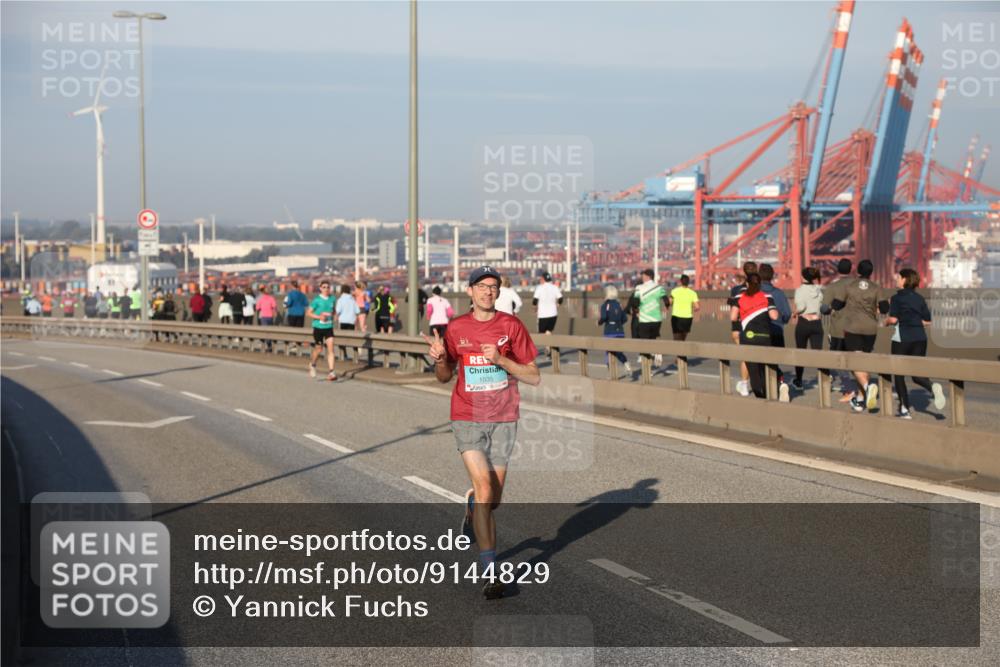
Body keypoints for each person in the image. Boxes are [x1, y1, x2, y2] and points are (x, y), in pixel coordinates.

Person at [421, 265, 540, 600]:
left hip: (504, 418)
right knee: (486, 487)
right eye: (482, 286)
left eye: (494, 287)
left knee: (493, 499)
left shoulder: (511, 326)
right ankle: (492, 573)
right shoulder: (456, 328)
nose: (489, 291)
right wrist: (441, 359)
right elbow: (444, 376)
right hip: (467, 416)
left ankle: (473, 505)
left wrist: (502, 360)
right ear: (470, 291)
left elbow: (533, 376)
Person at [830, 259, 891, 413]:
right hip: (871, 329)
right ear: (871, 272)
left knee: (855, 363)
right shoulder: (876, 288)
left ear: (857, 271)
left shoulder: (850, 286)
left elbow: (837, 304)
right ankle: (861, 400)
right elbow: (884, 308)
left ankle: (867, 387)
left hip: (853, 328)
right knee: (864, 362)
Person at [885, 268, 946, 419]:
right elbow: (928, 321)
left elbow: (893, 319)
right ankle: (932, 387)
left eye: (898, 277)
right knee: (916, 374)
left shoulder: (896, 298)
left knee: (899, 375)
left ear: (905, 280)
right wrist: (914, 322)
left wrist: (886, 322)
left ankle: (904, 409)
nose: (896, 279)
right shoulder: (919, 298)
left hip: (902, 338)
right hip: (920, 338)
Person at [730, 273, 779, 398]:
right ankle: (769, 395)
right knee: (763, 369)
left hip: (748, 337)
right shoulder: (767, 296)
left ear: (746, 284)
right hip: (764, 336)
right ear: (760, 284)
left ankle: (760, 397)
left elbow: (733, 317)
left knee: (753, 370)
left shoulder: (739, 297)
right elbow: (774, 316)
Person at [758, 264, 791, 402]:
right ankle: (781, 383)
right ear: (772, 276)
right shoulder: (779, 293)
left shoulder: (755, 293)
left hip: (759, 333)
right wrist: (781, 321)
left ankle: (767, 391)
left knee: (760, 363)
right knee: (774, 362)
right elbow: (787, 314)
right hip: (777, 332)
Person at [792, 267, 828, 390]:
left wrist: (794, 313)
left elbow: (801, 307)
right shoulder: (819, 290)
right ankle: (825, 379)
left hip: (804, 323)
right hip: (817, 323)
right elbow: (822, 303)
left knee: (800, 353)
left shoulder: (800, 290)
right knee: (818, 353)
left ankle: (799, 381)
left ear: (803, 277)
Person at [823, 259, 854, 398]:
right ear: (851, 269)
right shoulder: (857, 285)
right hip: (859, 328)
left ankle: (848, 389)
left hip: (839, 329)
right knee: (859, 358)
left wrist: (830, 311)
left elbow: (824, 308)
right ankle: (864, 386)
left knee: (839, 360)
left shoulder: (833, 287)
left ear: (838, 270)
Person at [629, 269, 668, 366]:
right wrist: (666, 308)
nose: (642, 277)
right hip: (657, 320)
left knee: (644, 343)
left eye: (643, 275)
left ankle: (648, 367)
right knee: (653, 339)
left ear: (647, 276)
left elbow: (634, 302)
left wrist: (636, 311)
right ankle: (656, 352)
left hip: (644, 319)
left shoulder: (639, 287)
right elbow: (666, 301)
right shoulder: (659, 287)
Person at [729, 261, 757, 396]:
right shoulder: (760, 289)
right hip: (754, 325)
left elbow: (733, 311)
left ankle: (745, 384)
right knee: (753, 356)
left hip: (737, 328)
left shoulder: (736, 290)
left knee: (745, 356)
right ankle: (752, 382)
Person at [307, 280, 338, 381]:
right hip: (318, 327)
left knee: (331, 348)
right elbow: (309, 313)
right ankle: (313, 364)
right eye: (324, 287)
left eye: (328, 287)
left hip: (329, 327)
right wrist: (319, 317)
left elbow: (333, 311)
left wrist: (334, 315)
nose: (326, 289)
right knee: (319, 349)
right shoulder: (317, 300)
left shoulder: (333, 298)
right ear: (320, 288)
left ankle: (331, 372)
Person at [598, 284, 632, 375]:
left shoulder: (605, 305)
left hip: (609, 332)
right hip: (620, 332)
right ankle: (626, 362)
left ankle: (611, 373)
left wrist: (599, 323)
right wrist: (618, 324)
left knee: (608, 352)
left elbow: (604, 317)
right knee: (618, 351)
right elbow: (625, 318)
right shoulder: (619, 305)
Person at [668, 275, 699, 341]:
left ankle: (677, 350)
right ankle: (681, 350)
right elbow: (697, 307)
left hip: (676, 317)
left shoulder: (674, 291)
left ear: (680, 282)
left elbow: (669, 303)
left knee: (676, 338)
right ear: (688, 282)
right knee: (683, 338)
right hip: (687, 318)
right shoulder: (693, 293)